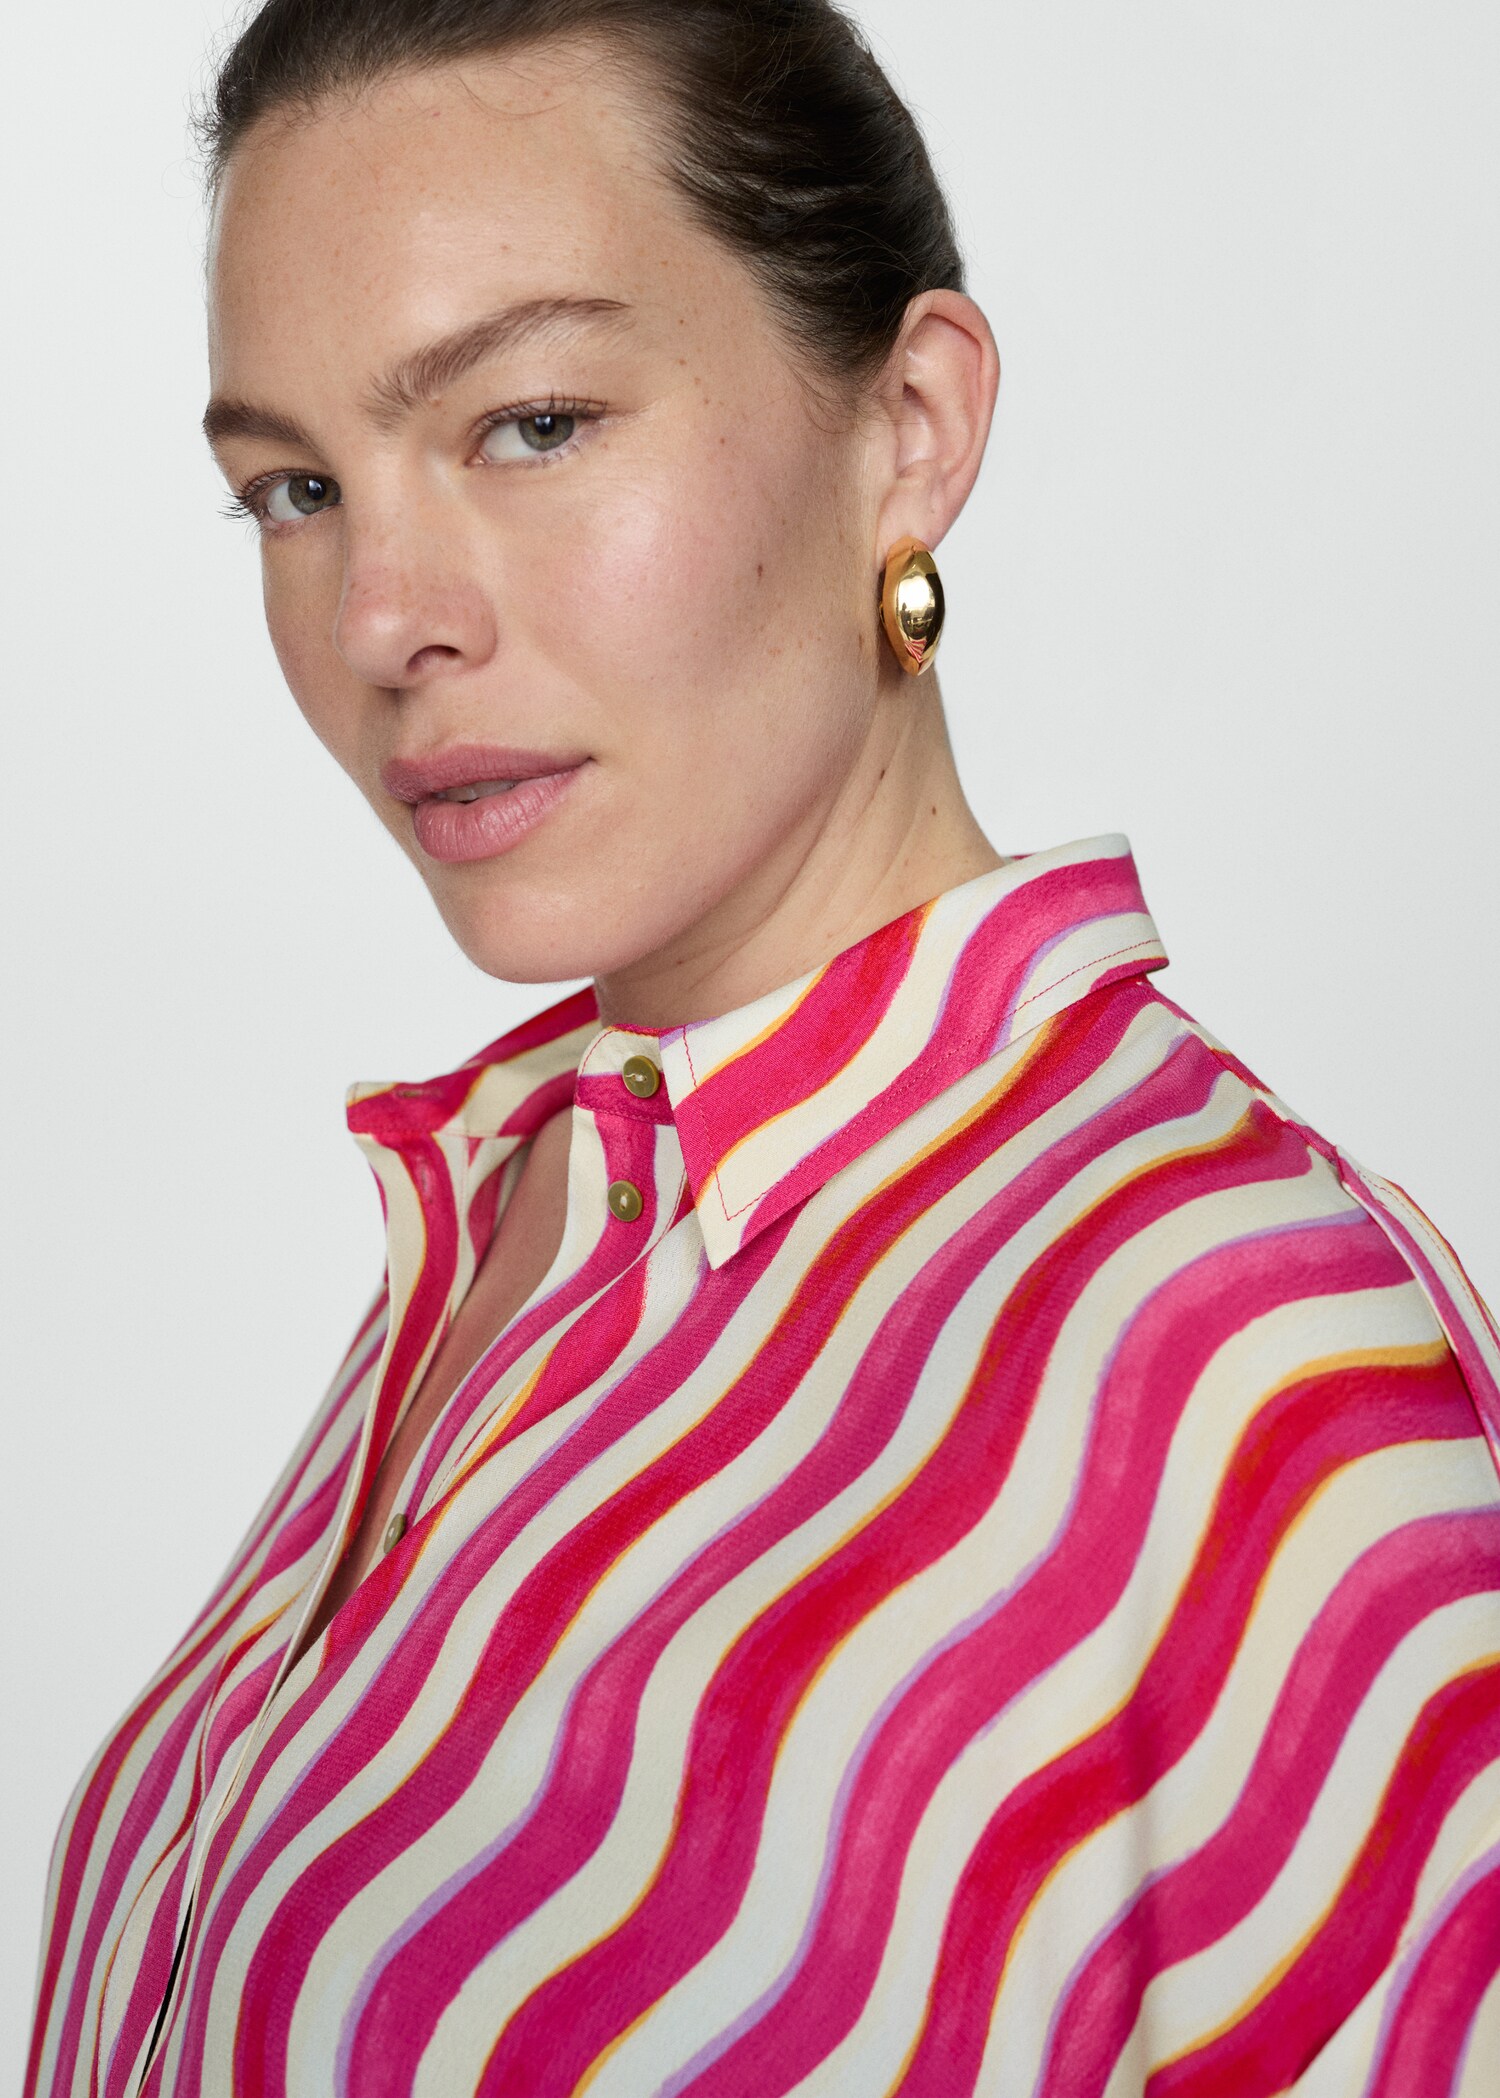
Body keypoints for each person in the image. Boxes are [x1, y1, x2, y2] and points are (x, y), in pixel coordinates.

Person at [25, 2, 1500, 2093]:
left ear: (909, 422)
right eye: (295, 486)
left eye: (532, 423)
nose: (380, 614)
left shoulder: (1255, 1374)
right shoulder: (527, 1199)